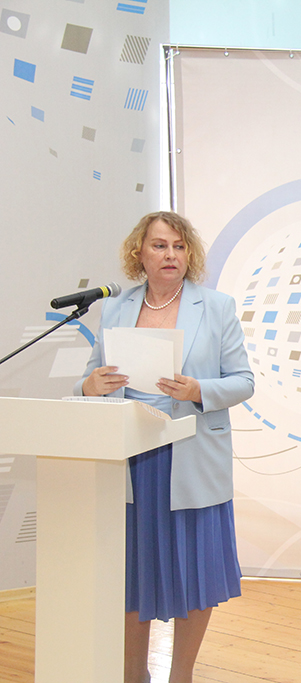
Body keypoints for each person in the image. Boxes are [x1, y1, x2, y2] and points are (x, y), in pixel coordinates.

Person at [75, 211, 254, 683]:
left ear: (188, 254)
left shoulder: (216, 307)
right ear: (139, 253)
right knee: (132, 571)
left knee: (195, 572)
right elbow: (90, 378)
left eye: (178, 246)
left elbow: (243, 381)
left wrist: (198, 390)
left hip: (191, 455)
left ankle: (181, 676)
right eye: (159, 245)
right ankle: (134, 675)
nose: (170, 254)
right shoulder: (116, 308)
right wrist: (91, 385)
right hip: (131, 458)